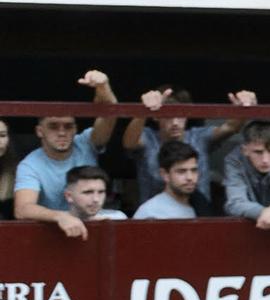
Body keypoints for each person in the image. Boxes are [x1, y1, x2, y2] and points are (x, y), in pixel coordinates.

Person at [12, 70, 120, 223]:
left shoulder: (85, 142)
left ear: (75, 129)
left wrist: (103, 86)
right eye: (54, 126)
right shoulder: (30, 165)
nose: (62, 132)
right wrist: (61, 217)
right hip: (52, 231)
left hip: (92, 222)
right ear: (39, 131)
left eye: (68, 126)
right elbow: (22, 209)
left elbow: (110, 114)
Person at [123, 85, 252, 204]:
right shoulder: (148, 137)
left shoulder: (199, 137)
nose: (175, 122)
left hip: (198, 215)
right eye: (168, 116)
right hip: (155, 218)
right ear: (155, 117)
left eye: (180, 116)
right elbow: (129, 143)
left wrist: (245, 105)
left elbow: (230, 127)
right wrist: (143, 111)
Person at [134, 139, 216, 219]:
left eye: (194, 170)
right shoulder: (150, 213)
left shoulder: (202, 205)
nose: (190, 177)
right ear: (165, 174)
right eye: (181, 171)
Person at [39, 166, 126, 235]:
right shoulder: (54, 223)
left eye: (101, 192)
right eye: (88, 192)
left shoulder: (118, 218)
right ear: (69, 196)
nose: (96, 199)